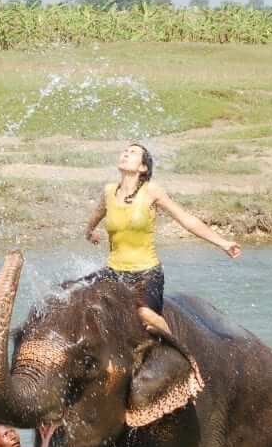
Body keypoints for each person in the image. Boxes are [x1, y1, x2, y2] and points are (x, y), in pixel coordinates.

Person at [83, 143, 242, 335]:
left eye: (133, 152)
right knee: (73, 295)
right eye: (125, 151)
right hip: (114, 271)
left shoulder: (151, 191)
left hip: (146, 274)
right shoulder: (109, 191)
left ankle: (177, 345)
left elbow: (186, 220)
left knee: (145, 314)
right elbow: (97, 214)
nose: (126, 153)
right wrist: (89, 232)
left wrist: (223, 243)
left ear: (143, 167)